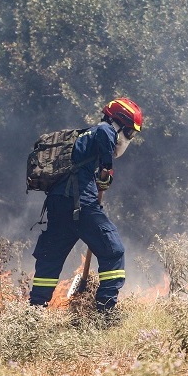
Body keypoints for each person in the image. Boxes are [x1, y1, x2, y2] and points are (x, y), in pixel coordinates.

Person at [29, 98, 144, 320]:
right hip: (79, 204)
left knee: (51, 257)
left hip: (58, 203)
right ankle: (105, 312)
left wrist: (101, 178)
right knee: (113, 250)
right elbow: (105, 142)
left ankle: (34, 312)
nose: (129, 138)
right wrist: (106, 171)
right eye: (130, 132)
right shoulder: (105, 130)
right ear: (119, 123)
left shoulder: (85, 137)